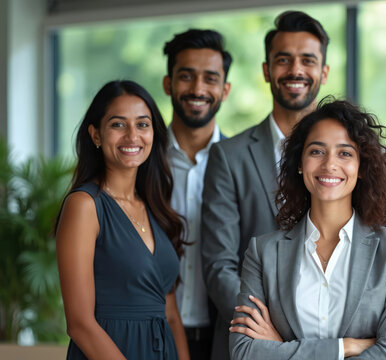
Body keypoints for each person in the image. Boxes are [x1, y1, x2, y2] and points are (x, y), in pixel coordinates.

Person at [228, 99, 386, 360]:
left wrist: (280, 347)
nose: (329, 164)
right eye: (317, 151)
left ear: (361, 167)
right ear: (299, 162)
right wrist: (345, 347)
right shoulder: (263, 252)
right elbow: (244, 351)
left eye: (345, 153)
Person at [201, 10, 330, 359]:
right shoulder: (228, 157)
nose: (296, 70)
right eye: (283, 60)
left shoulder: (347, 160)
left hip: (328, 342)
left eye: (308, 60)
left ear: (324, 72)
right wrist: (270, 332)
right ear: (266, 70)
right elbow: (219, 267)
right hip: (247, 345)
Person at [56, 80, 190, 359]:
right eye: (118, 124)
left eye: (143, 124)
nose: (132, 136)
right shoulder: (84, 206)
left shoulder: (155, 207)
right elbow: (79, 324)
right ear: (95, 134)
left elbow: (171, 315)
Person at [162, 28, 231, 359]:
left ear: (225, 89)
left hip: (225, 336)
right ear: (168, 83)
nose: (198, 89)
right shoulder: (140, 163)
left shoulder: (240, 164)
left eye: (210, 78)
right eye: (186, 76)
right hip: (153, 332)